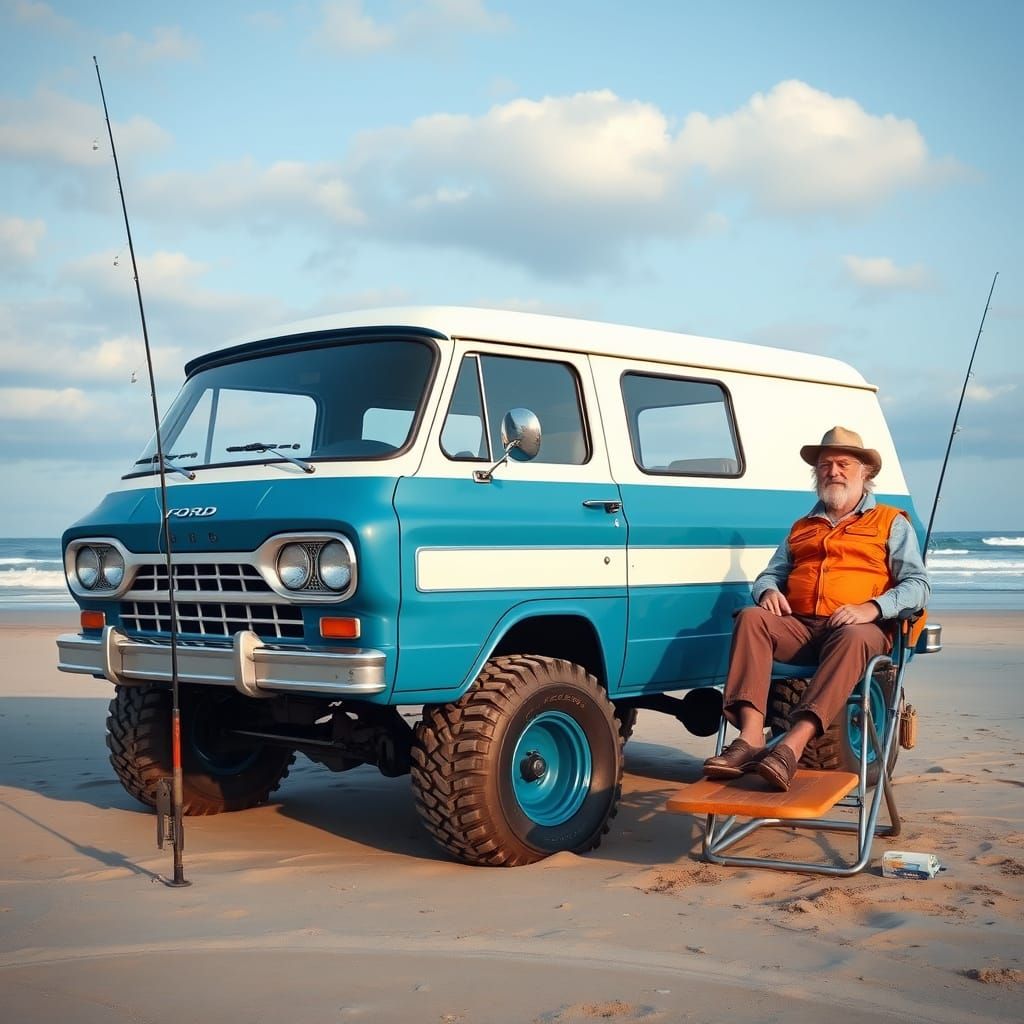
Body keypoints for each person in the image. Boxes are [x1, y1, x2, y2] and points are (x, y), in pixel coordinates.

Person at [703, 426, 930, 791]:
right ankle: (750, 739)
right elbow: (769, 574)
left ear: (865, 472)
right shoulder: (801, 527)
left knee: (855, 636)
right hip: (801, 627)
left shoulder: (891, 522)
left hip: (857, 632)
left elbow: (918, 586)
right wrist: (766, 593)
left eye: (843, 464)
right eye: (826, 465)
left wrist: (872, 607)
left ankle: (791, 747)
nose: (833, 471)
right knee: (750, 618)